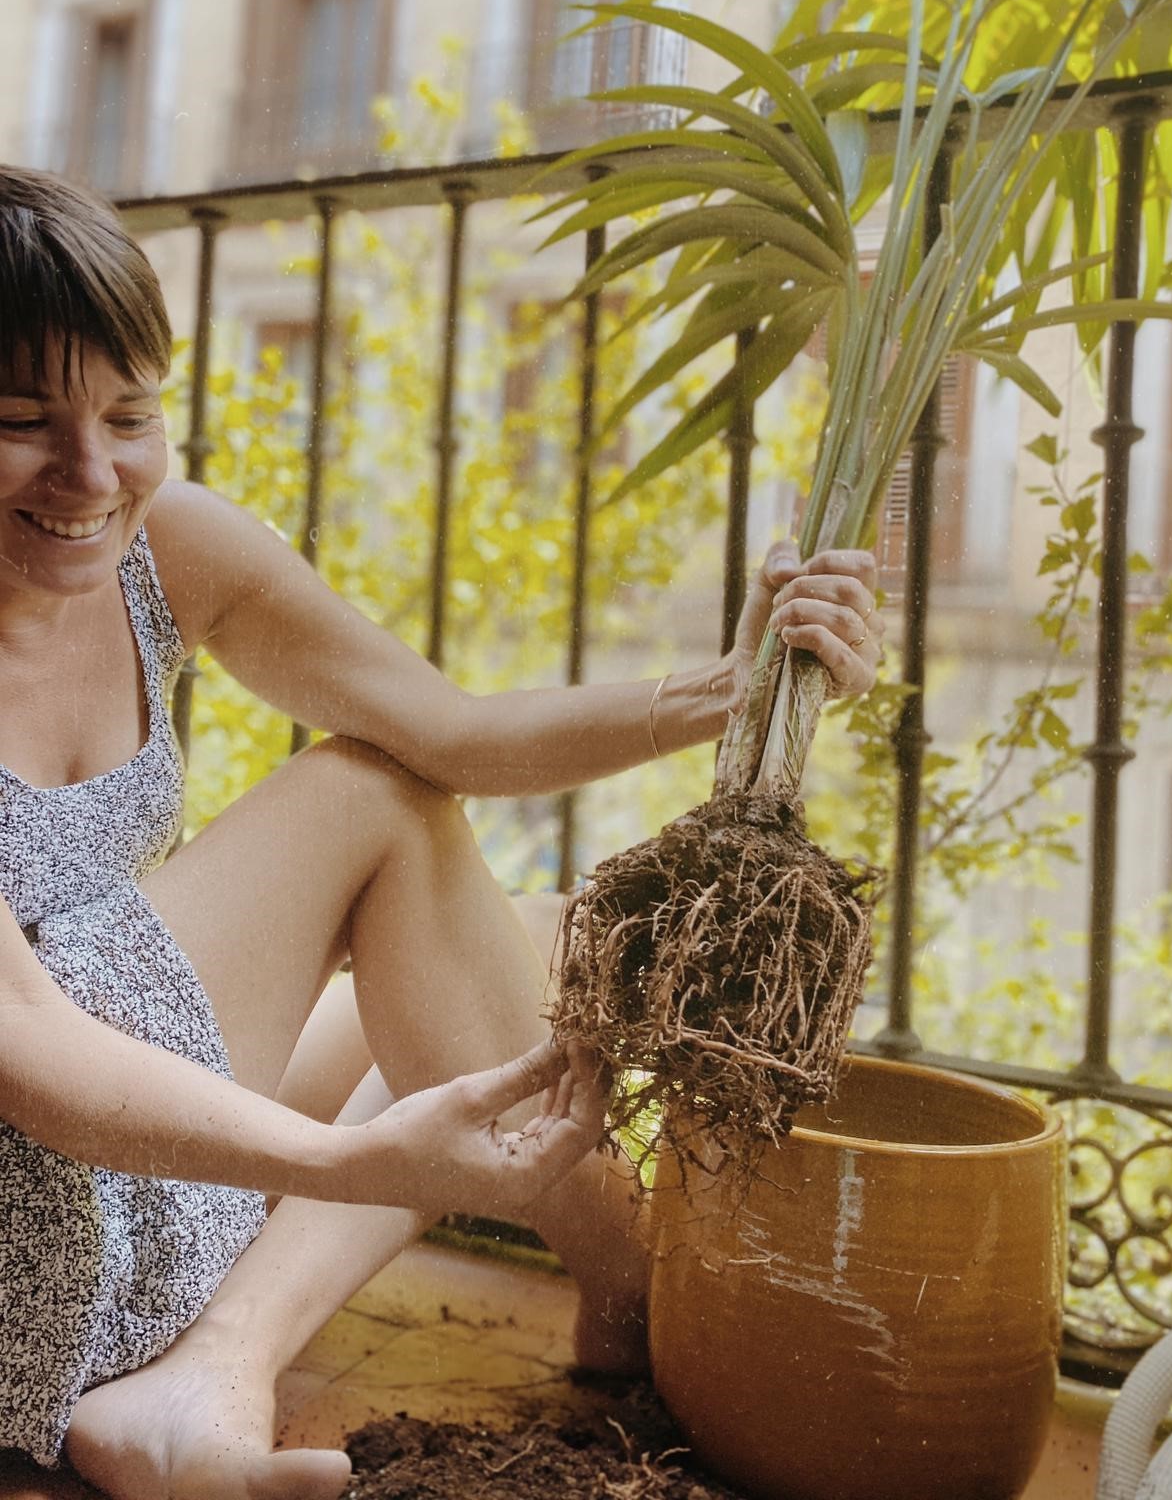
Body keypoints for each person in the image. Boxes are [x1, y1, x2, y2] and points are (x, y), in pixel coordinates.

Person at [0, 164, 885, 1500]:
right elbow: (37, 1059)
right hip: (28, 1264)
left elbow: (456, 733)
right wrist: (356, 1162)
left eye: (130, 414)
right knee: (373, 809)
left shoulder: (161, 546)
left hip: (93, 1141)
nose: (91, 473)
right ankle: (644, 1303)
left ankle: (215, 1372)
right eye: (20, 423)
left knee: (468, 974)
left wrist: (735, 683)